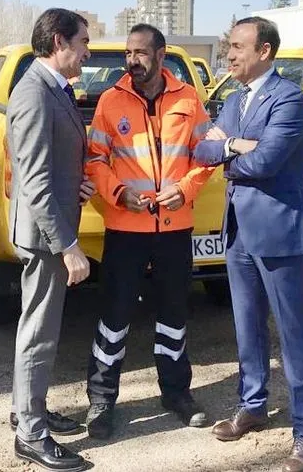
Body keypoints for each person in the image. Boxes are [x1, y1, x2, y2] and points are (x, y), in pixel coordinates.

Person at [192, 16, 303, 472]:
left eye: (238, 47)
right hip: (238, 232)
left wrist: (235, 146)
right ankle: (253, 406)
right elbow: (202, 150)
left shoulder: (289, 97)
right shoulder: (233, 99)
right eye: (229, 45)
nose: (229, 54)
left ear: (264, 51)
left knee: (293, 333)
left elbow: (266, 161)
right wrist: (235, 145)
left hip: (279, 232)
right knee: (247, 326)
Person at [81, 23, 215, 439]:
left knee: (174, 313)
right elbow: (95, 160)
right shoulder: (110, 100)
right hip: (126, 229)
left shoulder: (189, 100)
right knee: (115, 316)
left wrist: (186, 188)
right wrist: (118, 193)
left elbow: (207, 154)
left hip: (174, 229)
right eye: (128, 53)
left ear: (161, 55)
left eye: (140, 53)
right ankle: (101, 401)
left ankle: (176, 393)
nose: (131, 60)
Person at [6, 7, 96, 472]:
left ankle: (29, 408)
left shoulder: (53, 89)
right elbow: (34, 182)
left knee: (37, 329)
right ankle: (30, 434)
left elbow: (50, 169)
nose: (87, 52)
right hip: (45, 238)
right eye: (83, 42)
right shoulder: (35, 93)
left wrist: (76, 183)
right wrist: (69, 246)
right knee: (38, 334)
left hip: (49, 226)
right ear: (59, 41)